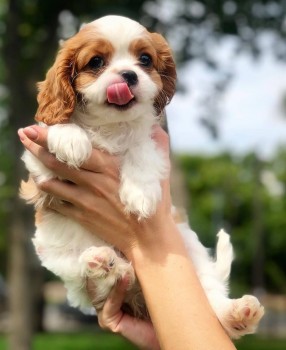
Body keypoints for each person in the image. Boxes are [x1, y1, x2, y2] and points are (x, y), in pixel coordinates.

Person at [18, 125, 236, 350]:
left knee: (182, 234)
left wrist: (144, 242)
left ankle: (216, 301)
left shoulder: (140, 139)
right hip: (86, 256)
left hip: (131, 270)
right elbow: (40, 179)